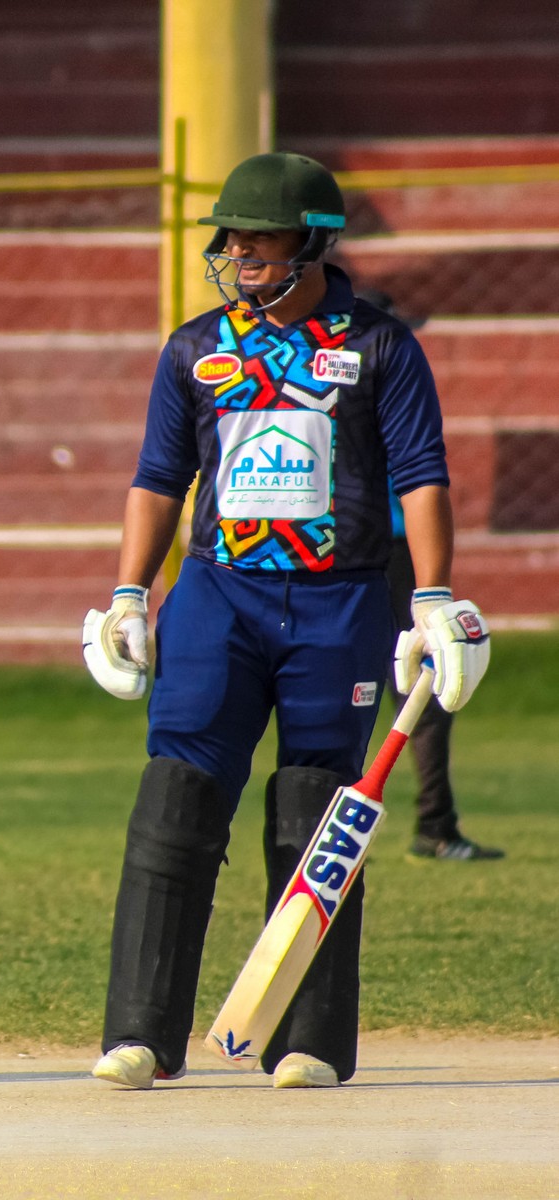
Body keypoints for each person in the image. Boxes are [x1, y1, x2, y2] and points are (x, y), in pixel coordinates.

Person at [80, 152, 490, 1091]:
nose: (237, 256)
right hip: (218, 599)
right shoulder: (194, 349)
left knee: (317, 812)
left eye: (256, 241)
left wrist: (433, 597)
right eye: (231, 242)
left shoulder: (380, 347)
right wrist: (130, 593)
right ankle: (140, 1036)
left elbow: (422, 474)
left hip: (339, 603)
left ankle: (308, 1041)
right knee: (178, 799)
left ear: (311, 243)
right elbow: (158, 479)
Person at [358, 290, 501, 863]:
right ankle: (435, 825)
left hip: (347, 548)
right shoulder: (383, 379)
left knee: (362, 684)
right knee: (424, 680)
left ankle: (324, 827)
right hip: (393, 547)